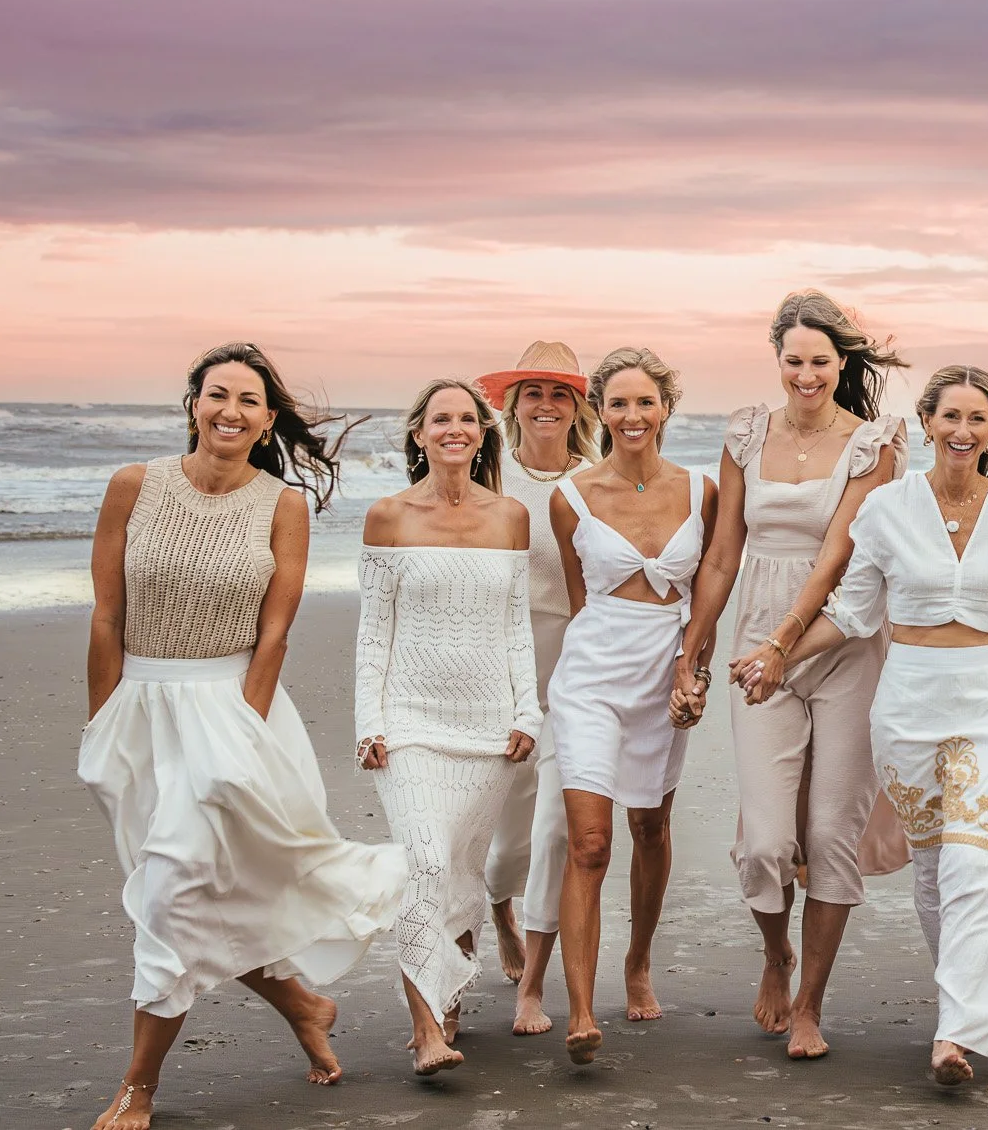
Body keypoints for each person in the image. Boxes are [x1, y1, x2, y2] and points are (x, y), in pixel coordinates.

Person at [79, 343, 405, 1130]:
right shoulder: (134, 486)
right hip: (140, 710)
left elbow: (275, 633)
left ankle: (139, 1087)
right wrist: (101, 725)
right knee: (202, 892)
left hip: (234, 706)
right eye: (216, 394)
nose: (231, 410)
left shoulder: (280, 505)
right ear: (193, 403)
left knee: (172, 890)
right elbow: (107, 615)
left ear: (266, 422)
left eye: (249, 400)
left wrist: (245, 734)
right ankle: (302, 1003)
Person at [745, 365, 988, 1085]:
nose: (963, 431)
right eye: (950, 416)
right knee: (932, 869)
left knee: (976, 861)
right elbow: (854, 612)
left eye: (978, 419)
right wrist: (777, 653)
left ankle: (955, 1034)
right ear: (927, 422)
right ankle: (961, 1007)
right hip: (908, 703)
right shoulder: (888, 508)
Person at [682, 291, 908, 1059]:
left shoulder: (872, 445)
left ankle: (809, 1002)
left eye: (820, 361)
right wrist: (696, 649)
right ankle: (776, 951)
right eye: (794, 361)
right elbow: (722, 552)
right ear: (777, 361)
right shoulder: (747, 432)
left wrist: (785, 642)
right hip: (757, 646)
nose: (806, 374)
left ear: (841, 363)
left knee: (830, 836)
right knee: (766, 845)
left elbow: (839, 554)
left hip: (841, 642)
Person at [356, 377, 539, 1075]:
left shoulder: (511, 517)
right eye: (441, 419)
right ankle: (427, 1028)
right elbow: (374, 632)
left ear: (484, 433)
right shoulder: (388, 516)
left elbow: (516, 627)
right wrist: (368, 721)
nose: (455, 429)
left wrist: (529, 712)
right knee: (424, 860)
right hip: (409, 720)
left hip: (489, 723)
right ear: (419, 433)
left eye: (468, 418)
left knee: (461, 865)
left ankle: (451, 990)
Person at [546, 347, 716, 1064]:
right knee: (590, 843)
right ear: (600, 411)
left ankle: (638, 961)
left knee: (650, 826)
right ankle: (582, 1012)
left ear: (665, 408)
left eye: (645, 402)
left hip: (664, 669)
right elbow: (580, 597)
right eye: (618, 403)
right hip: (591, 675)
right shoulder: (571, 497)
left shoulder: (704, 490)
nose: (632, 416)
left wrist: (691, 672)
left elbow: (706, 592)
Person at [473, 341, 598, 1035]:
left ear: (577, 406)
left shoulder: (598, 480)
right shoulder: (488, 479)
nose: (545, 405)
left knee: (554, 826)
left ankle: (538, 986)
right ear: (511, 403)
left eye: (559, 393)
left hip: (573, 664)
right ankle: (498, 906)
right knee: (508, 832)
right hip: (497, 666)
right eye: (533, 392)